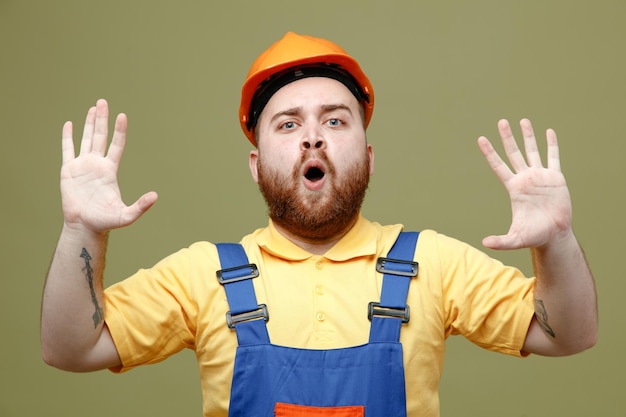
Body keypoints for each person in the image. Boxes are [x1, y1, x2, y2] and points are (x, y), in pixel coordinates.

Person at [41, 32, 597, 417]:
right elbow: (71, 350)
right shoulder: (201, 274)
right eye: (288, 124)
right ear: (257, 164)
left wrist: (557, 242)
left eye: (335, 119)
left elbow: (567, 335)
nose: (313, 137)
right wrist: (81, 232)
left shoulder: (435, 264)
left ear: (369, 157)